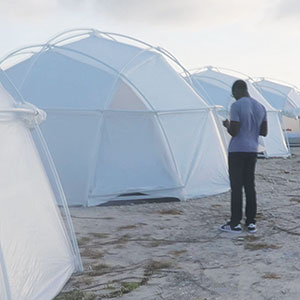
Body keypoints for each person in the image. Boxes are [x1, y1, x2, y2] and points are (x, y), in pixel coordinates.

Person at [220, 79, 268, 233]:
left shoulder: (236, 106)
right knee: (249, 186)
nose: (233, 97)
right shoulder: (261, 107)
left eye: (234, 94)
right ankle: (251, 222)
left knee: (236, 187)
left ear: (237, 91)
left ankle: (235, 223)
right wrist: (252, 127)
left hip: (237, 150)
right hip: (252, 150)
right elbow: (264, 132)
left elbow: (234, 131)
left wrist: (227, 125)